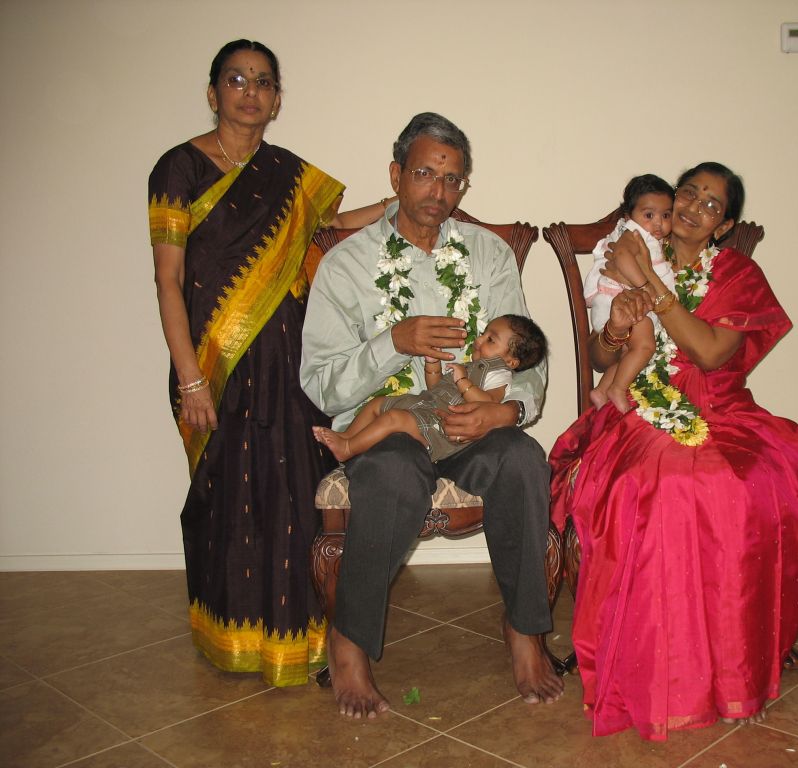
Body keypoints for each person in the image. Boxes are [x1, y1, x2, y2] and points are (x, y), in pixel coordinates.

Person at [549, 162, 798, 740]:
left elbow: (709, 354)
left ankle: (736, 672)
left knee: (751, 485)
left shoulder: (736, 273)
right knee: (669, 487)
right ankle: (659, 667)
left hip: (723, 409)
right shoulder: (633, 248)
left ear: (724, 226)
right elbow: (603, 357)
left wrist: (653, 290)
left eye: (712, 204)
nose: (694, 207)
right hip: (639, 404)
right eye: (688, 193)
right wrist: (615, 328)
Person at [300, 112, 564, 718]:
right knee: (392, 473)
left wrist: (506, 411)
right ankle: (350, 641)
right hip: (387, 422)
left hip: (468, 420)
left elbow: (526, 358)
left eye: (452, 179)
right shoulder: (346, 265)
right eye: (424, 173)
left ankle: (525, 630)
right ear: (396, 175)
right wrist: (392, 341)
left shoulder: (489, 255)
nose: (438, 191)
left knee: (523, 459)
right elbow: (321, 385)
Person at [148, 39, 388, 687]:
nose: (250, 92)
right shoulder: (178, 168)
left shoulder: (286, 172)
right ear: (212, 92)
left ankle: (302, 638)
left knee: (293, 489)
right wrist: (191, 378)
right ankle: (230, 633)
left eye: (263, 82)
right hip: (216, 365)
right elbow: (168, 281)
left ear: (277, 99)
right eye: (237, 79)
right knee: (227, 493)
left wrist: (395, 207)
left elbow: (330, 228)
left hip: (289, 358)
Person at [312, 314, 547, 463]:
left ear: (511, 361)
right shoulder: (470, 366)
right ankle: (347, 435)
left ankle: (347, 448)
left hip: (440, 426)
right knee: (377, 404)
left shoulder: (499, 374)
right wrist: (433, 366)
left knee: (393, 418)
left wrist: (463, 383)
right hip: (425, 405)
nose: (479, 340)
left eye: (490, 340)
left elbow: (489, 404)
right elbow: (436, 388)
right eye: (483, 334)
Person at [584, 175, 675, 413]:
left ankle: (602, 390)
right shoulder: (633, 234)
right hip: (620, 304)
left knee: (630, 353)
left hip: (617, 304)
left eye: (666, 215)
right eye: (649, 215)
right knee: (645, 348)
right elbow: (621, 257)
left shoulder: (648, 237)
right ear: (628, 216)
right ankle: (617, 389)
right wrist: (646, 287)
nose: (658, 223)